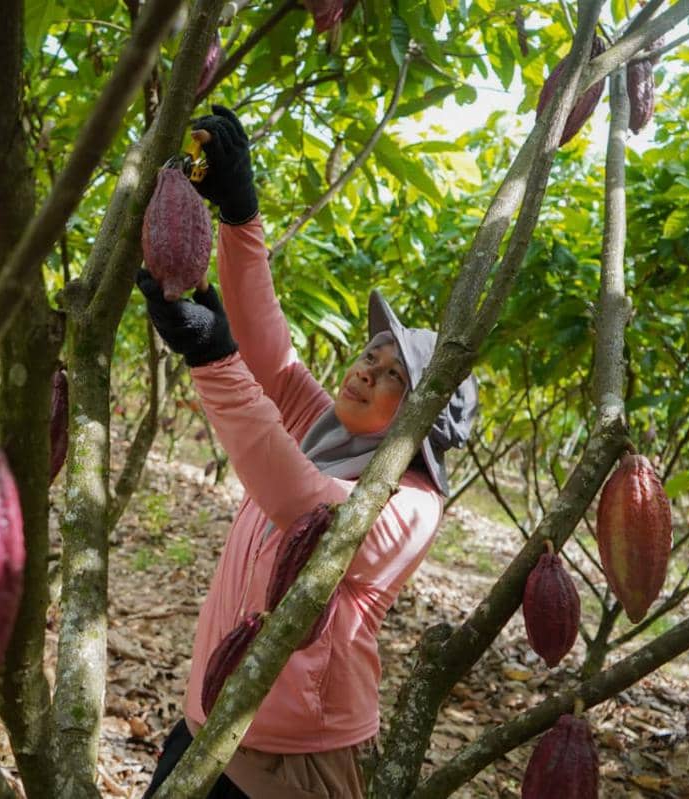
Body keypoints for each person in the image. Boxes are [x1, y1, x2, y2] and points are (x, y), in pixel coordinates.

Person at [136, 105, 478, 799]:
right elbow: (268, 348)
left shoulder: (412, 505)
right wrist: (240, 214)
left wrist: (210, 354)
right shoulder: (322, 426)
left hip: (290, 761)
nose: (364, 372)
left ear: (423, 422)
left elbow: (301, 503)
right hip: (210, 715)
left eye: (392, 378)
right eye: (370, 356)